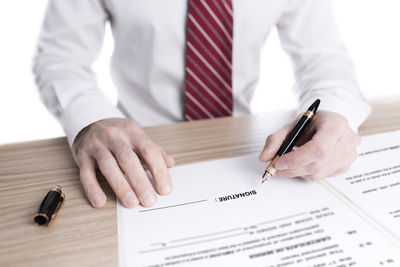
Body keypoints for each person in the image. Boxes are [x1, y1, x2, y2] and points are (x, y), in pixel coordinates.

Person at [33, 0, 371, 209]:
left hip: (240, 146)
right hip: (138, 149)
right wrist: (91, 120)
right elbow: (60, 57)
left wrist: (337, 111)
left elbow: (324, 57)